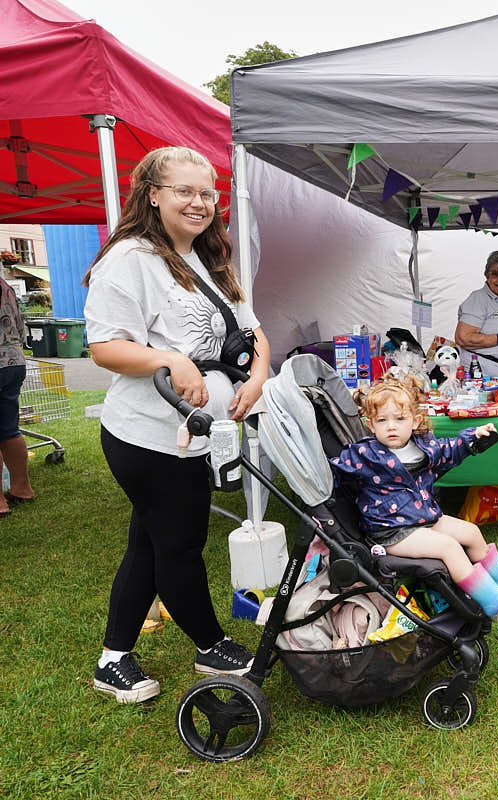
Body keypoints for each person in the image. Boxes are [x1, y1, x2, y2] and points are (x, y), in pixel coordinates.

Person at [83, 146, 271, 703]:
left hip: (197, 435)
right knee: (180, 544)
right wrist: (171, 359)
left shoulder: (207, 257)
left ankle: (113, 658)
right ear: (153, 196)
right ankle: (210, 644)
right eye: (184, 191)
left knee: (149, 541)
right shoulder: (130, 258)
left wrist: (258, 376)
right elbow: (104, 347)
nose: (199, 203)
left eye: (207, 192)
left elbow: (252, 330)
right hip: (150, 435)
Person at [331, 376, 498, 617]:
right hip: (391, 531)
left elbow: (450, 449)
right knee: (449, 547)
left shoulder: (422, 445)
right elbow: (336, 470)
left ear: (414, 421)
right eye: (382, 420)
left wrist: (475, 436)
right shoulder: (364, 454)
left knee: (470, 531)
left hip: (422, 517)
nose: (391, 426)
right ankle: (492, 599)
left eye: (399, 419)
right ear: (371, 425)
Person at [454, 251, 498, 378]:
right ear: (487, 275)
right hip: (484, 373)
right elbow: (463, 337)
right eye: (495, 274)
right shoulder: (478, 298)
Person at [0, 276, 33, 516]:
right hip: (14, 362)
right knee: (9, 430)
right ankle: (22, 489)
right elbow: (21, 327)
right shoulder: (5, 286)